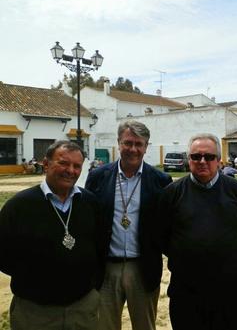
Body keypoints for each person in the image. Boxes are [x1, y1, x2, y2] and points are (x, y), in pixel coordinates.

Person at [0, 140, 104, 330]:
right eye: (63, 163)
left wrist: (93, 290)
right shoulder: (19, 206)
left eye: (76, 166)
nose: (70, 170)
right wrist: (34, 277)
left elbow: (100, 248)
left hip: (82, 309)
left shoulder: (90, 203)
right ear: (45, 164)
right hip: (35, 312)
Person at [157, 133, 237, 330]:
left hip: (228, 292)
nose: (202, 161)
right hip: (186, 293)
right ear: (189, 159)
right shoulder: (172, 193)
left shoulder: (236, 191)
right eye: (196, 156)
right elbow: (162, 236)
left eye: (209, 157)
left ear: (219, 160)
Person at [85, 120, 172, 330]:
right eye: (128, 143)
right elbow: (88, 220)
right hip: (106, 269)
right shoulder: (97, 177)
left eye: (139, 144)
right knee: (104, 326)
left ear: (146, 146)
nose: (133, 149)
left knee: (145, 326)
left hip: (142, 268)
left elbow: (168, 226)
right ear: (119, 143)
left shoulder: (161, 181)